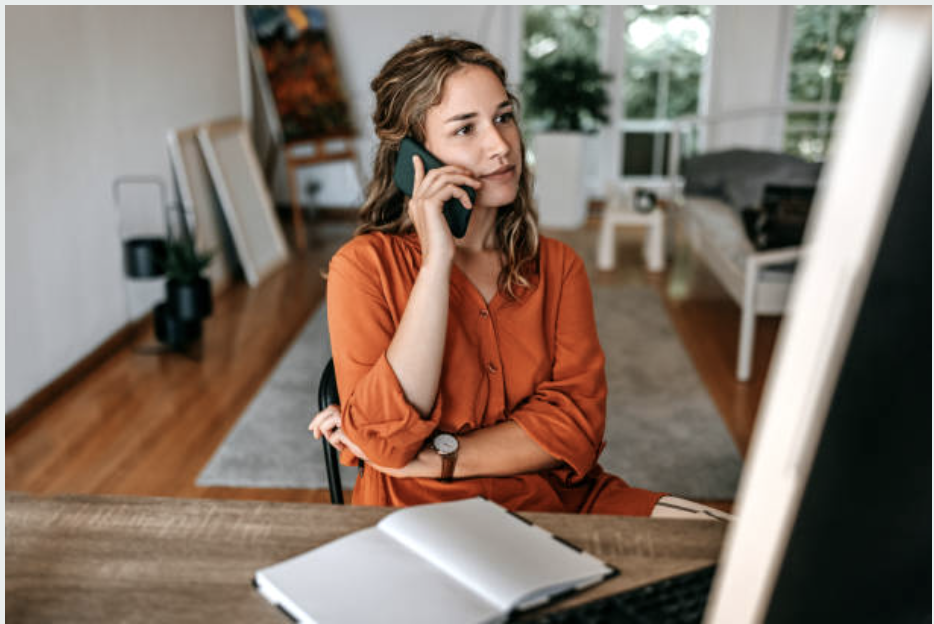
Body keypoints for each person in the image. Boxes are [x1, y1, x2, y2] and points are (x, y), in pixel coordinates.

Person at [310, 35, 730, 520]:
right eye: (465, 129)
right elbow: (384, 441)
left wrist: (436, 456)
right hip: (422, 513)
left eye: (503, 117)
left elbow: (576, 426)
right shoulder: (363, 267)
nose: (500, 146)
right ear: (414, 158)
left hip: (560, 503)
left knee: (725, 542)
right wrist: (436, 262)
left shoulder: (558, 266)